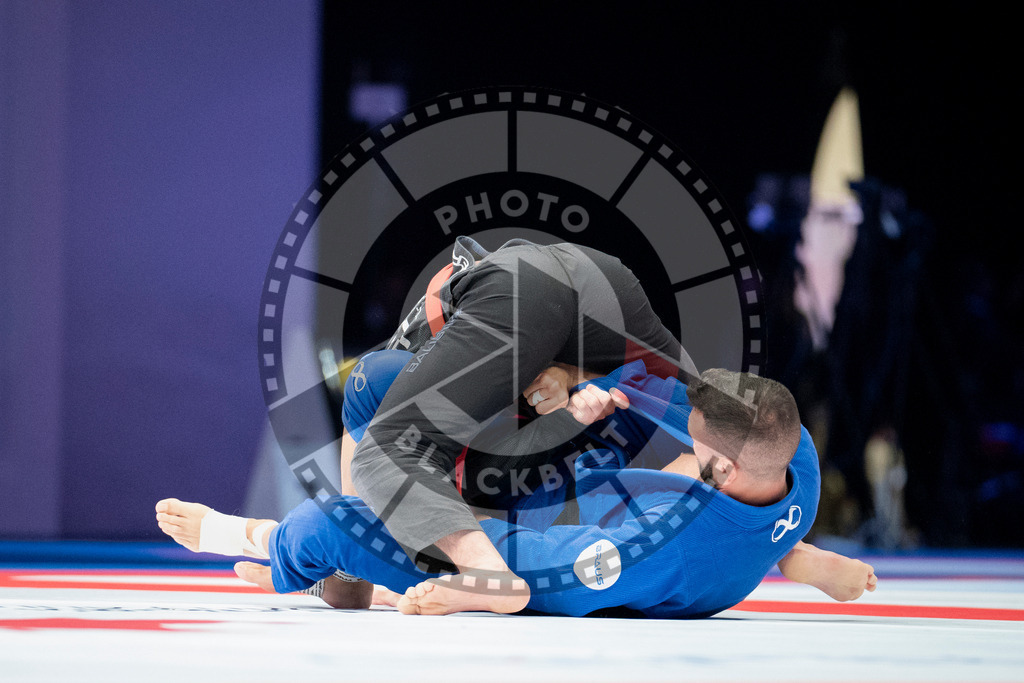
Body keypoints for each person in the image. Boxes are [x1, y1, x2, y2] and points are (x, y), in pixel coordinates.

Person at [157, 359, 877, 617]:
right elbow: (709, 466)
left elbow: (541, 582)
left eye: (699, 446)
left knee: (333, 521)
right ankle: (353, 582)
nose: (688, 442)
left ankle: (246, 537)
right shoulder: (796, 462)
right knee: (381, 383)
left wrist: (468, 565)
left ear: (725, 469)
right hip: (582, 494)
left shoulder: (663, 552)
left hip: (528, 548)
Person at [349, 237, 699, 613]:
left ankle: (484, 573)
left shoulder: (403, 363)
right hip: (593, 287)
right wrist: (570, 377)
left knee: (385, 447)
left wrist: (352, 569)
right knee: (708, 411)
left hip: (527, 297)